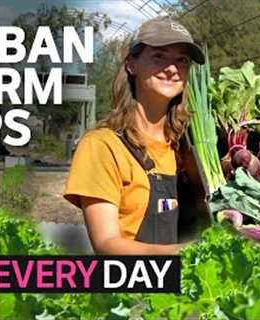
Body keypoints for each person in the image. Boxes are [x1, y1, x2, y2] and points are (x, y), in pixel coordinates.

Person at [63, 17, 205, 255]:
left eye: (181, 60)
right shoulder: (103, 145)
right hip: (133, 286)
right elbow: (107, 244)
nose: (172, 69)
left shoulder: (187, 147)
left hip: (191, 286)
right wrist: (189, 255)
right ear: (131, 64)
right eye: (159, 56)